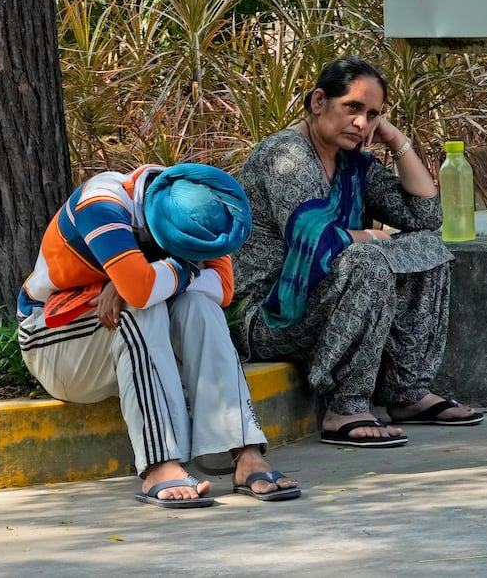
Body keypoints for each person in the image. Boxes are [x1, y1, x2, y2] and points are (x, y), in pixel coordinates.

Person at [232, 57, 481, 449]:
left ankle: (407, 391)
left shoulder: (353, 162)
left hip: (320, 301)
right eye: (352, 108)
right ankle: (345, 407)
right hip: (269, 316)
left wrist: (396, 140)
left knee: (428, 248)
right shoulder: (287, 155)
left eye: (372, 115)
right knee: (368, 259)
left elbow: (425, 215)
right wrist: (370, 237)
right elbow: (312, 240)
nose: (362, 123)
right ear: (318, 102)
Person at [17, 163, 299, 508]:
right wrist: (180, 270)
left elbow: (222, 290)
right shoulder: (102, 204)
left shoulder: (199, 203)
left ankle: (244, 452)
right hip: (57, 343)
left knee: (201, 307)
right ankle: (159, 463)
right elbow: (140, 293)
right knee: (142, 309)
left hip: (121, 339)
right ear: (152, 225)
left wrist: (145, 279)